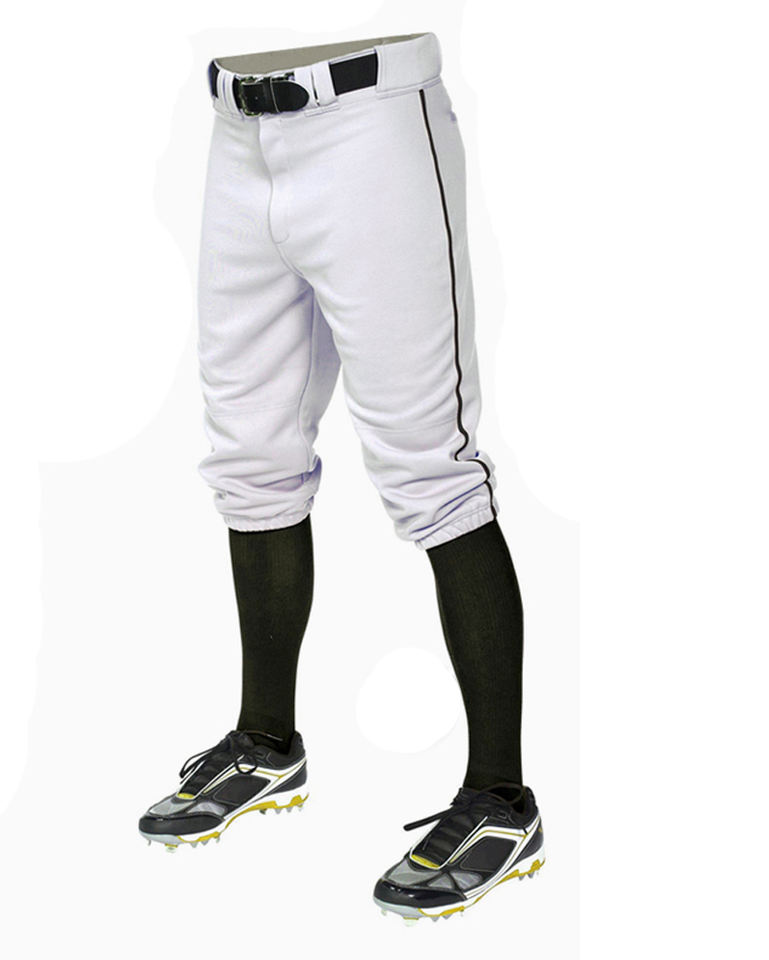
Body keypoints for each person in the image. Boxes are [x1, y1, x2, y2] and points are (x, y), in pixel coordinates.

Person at [138, 32, 545, 922]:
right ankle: (266, 744)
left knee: (429, 467)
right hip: (236, 131)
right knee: (251, 455)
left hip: (371, 125)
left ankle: (501, 800)